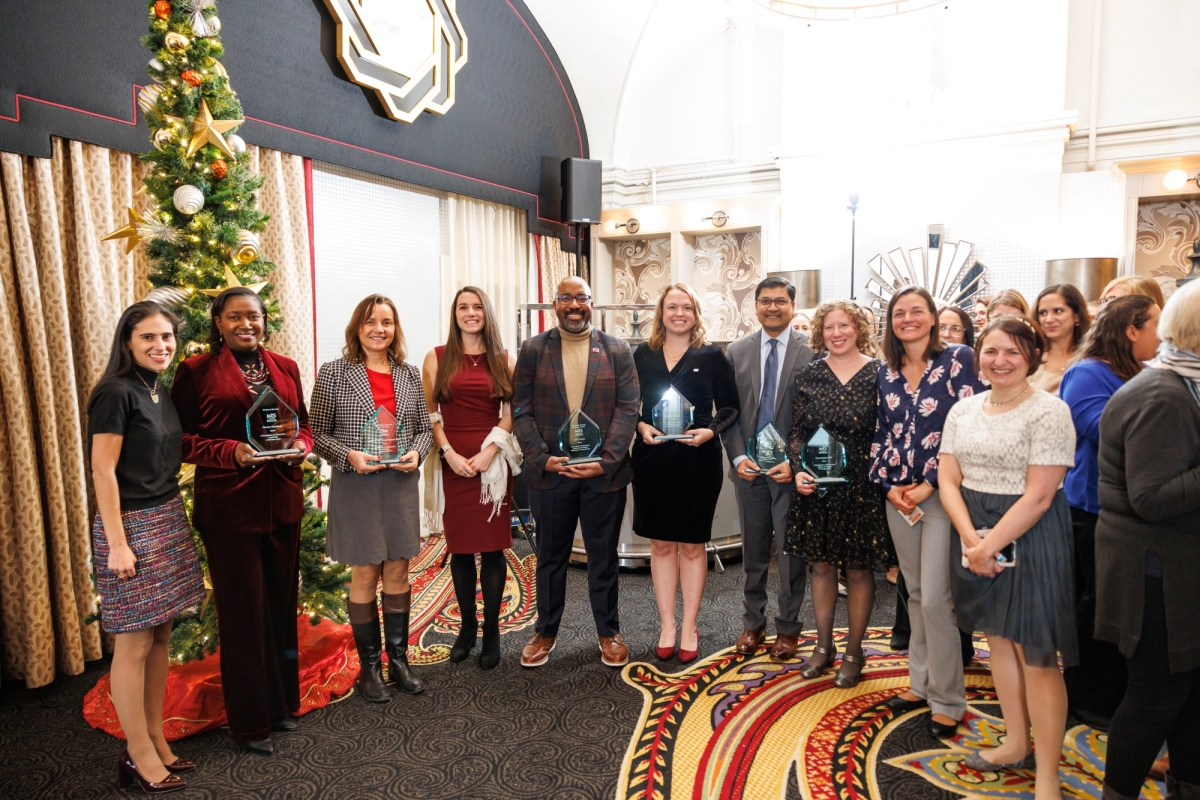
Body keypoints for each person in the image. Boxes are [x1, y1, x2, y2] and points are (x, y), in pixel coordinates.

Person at [171, 287, 314, 754]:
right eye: (234, 317)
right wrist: (230, 451)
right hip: (230, 509)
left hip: (283, 503)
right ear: (218, 323)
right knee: (242, 617)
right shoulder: (195, 372)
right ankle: (251, 724)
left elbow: (304, 426)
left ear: (264, 320)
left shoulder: (286, 367)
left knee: (277, 607)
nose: (245, 324)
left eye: (253, 316)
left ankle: (279, 707)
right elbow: (182, 440)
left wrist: (303, 448)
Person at [939, 317, 1077, 797]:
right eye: (992, 351)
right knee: (997, 641)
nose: (1000, 361)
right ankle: (1016, 741)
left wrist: (988, 544)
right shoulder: (963, 410)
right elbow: (947, 478)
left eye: (1013, 353)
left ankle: (1047, 775)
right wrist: (969, 541)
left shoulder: (1050, 410)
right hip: (973, 531)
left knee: (1036, 655)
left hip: (1030, 533)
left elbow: (1040, 496)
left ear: (1031, 356)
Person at [89, 302, 205, 793]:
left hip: (167, 517)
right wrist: (117, 542)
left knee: (161, 636)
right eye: (148, 339)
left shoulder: (157, 388)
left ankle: (156, 739)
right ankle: (136, 753)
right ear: (127, 343)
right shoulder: (115, 392)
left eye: (167, 337)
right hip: (131, 526)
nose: (161, 346)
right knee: (135, 641)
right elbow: (102, 470)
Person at [1098, 280, 1200, 800]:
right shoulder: (1165, 394)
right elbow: (1153, 497)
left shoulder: (1180, 382)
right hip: (1154, 574)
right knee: (1155, 697)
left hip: (1170, 568)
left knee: (1187, 691)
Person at [871, 285, 984, 739]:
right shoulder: (886, 372)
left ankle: (948, 699)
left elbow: (971, 423)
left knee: (938, 598)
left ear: (934, 318)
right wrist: (889, 484)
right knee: (914, 593)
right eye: (899, 313)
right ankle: (921, 684)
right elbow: (883, 430)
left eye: (917, 311)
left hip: (942, 494)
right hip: (899, 496)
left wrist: (930, 483)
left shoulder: (958, 359)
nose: (908, 319)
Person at [513, 276, 640, 668]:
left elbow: (628, 408)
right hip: (550, 474)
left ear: (591, 302)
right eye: (566, 298)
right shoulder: (534, 349)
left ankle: (609, 632)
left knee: (603, 557)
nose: (573, 305)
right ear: (555, 304)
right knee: (551, 558)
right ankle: (545, 631)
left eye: (580, 298)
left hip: (604, 475)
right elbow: (521, 409)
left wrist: (606, 460)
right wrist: (540, 456)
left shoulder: (616, 349)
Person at [310, 295, 431, 702]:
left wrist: (418, 452)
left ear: (395, 329)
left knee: (397, 571)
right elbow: (317, 433)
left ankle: (399, 661)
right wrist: (348, 456)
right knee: (365, 575)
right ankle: (370, 669)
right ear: (357, 327)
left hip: (399, 484)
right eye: (370, 322)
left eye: (387, 322)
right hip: (357, 484)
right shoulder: (333, 374)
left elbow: (422, 430)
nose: (379, 329)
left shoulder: (410, 374)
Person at [1059, 295, 1161, 729]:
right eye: (1155, 324)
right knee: (1094, 604)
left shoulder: (1135, 372)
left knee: (1119, 606)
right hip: (1092, 509)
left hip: (1126, 509)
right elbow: (1103, 432)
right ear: (1131, 330)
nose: (1163, 334)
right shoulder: (1087, 372)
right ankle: (1086, 696)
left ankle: (1109, 690)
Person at [632, 284, 739, 663]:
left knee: (692, 547)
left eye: (687, 307)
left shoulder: (712, 355)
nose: (679, 313)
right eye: (672, 307)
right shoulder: (642, 354)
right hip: (653, 459)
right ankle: (667, 625)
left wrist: (711, 430)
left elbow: (730, 407)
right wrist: (641, 427)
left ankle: (689, 624)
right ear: (661, 312)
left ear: (695, 313)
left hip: (697, 460)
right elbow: (631, 406)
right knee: (660, 546)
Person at [786, 302, 888, 687]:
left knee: (859, 568)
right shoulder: (810, 374)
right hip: (817, 486)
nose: (837, 333)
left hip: (862, 485)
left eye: (844, 325)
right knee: (822, 566)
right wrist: (798, 471)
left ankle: (854, 651)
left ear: (858, 328)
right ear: (820, 333)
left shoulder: (880, 374)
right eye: (829, 327)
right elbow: (796, 432)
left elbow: (888, 431)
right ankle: (824, 646)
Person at [421, 287, 519, 671]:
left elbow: (511, 411)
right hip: (453, 460)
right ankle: (466, 628)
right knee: (460, 550)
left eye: (477, 307)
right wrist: (449, 453)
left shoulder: (503, 358)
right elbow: (431, 414)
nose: (470, 313)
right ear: (454, 314)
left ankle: (492, 632)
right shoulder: (437, 357)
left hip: (490, 463)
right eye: (463, 307)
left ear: (486, 313)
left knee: (492, 549)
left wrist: (489, 452)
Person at [722, 276, 814, 661]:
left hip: (790, 472)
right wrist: (739, 456)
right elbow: (729, 413)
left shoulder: (812, 351)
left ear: (792, 306)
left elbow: (815, 418)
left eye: (780, 301)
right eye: (765, 301)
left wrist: (795, 465)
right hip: (749, 469)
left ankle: (789, 629)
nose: (772, 307)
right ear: (754, 306)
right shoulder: (736, 351)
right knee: (754, 551)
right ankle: (752, 624)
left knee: (791, 553)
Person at [1031, 284, 1090, 395]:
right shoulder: (1030, 354)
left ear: (1077, 315)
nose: (1049, 319)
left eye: (1058, 311)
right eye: (1043, 313)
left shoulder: (1091, 357)